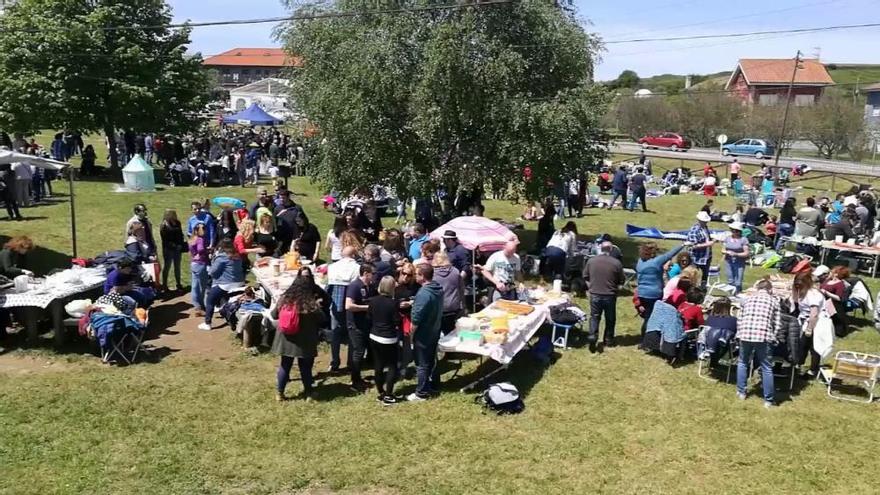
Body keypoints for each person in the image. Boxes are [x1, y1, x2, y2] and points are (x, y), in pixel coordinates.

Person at [271, 276, 323, 401]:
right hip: (304, 340)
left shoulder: (284, 299)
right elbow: (322, 319)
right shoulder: (310, 303)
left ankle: (280, 393)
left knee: (285, 365)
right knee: (305, 367)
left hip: (285, 339)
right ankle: (309, 393)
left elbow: (273, 315)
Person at [736, 279, 781, 408]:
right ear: (770, 289)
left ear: (757, 288)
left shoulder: (747, 300)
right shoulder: (774, 301)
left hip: (745, 333)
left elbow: (740, 318)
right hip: (763, 336)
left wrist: (740, 332)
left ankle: (741, 392)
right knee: (766, 367)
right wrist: (774, 337)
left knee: (742, 362)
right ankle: (768, 399)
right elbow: (777, 324)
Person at [407, 264, 444, 402]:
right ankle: (433, 385)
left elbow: (416, 319)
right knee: (432, 359)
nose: (415, 276)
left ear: (422, 276)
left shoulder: (423, 293)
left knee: (422, 363)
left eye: (416, 274)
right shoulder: (438, 288)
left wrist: (411, 336)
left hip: (423, 333)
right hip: (435, 329)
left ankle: (421, 393)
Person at [636, 241, 685, 341]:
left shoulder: (640, 261)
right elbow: (669, 254)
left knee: (647, 316)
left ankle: (645, 338)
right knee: (650, 318)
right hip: (653, 294)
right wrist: (682, 245)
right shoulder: (656, 262)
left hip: (641, 293)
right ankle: (646, 340)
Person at [583, 242, 624, 352]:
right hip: (610, 295)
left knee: (595, 317)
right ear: (611, 250)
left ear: (600, 249)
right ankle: (608, 340)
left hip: (595, 294)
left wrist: (591, 287)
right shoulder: (616, 263)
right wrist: (617, 290)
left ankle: (593, 336)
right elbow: (621, 281)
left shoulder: (591, 261)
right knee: (610, 318)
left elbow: (586, 277)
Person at [326, 246, 361, 373]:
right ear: (354, 255)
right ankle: (351, 362)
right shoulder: (357, 268)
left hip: (336, 301)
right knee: (352, 332)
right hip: (351, 300)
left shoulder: (332, 267)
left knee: (335, 333)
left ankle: (334, 361)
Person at [368, 275, 402, 405]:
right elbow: (396, 320)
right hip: (388, 338)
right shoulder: (393, 303)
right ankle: (389, 395)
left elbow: (369, 318)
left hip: (374, 336)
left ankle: (381, 391)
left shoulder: (373, 301)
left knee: (378, 365)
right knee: (392, 366)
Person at [198, 240, 245, 331]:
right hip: (240, 283)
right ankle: (224, 310)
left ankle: (207, 323)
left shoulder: (222, 257)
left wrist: (211, 263)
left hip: (226, 284)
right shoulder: (237, 256)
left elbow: (212, 272)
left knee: (210, 299)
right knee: (222, 296)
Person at [345, 264, 375, 391]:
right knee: (358, 352)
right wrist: (366, 308)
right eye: (373, 273)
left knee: (362, 351)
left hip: (366, 324)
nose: (374, 275)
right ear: (366, 273)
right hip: (355, 325)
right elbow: (348, 306)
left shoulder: (369, 286)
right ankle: (355, 380)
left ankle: (357, 377)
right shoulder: (354, 286)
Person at [791, 272, 824, 377]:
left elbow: (814, 314)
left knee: (814, 347)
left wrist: (809, 328)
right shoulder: (803, 292)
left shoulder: (813, 295)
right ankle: (798, 364)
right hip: (805, 321)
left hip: (816, 323)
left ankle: (813, 370)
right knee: (802, 345)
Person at [432, 252, 463, 335]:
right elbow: (461, 289)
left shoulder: (432, 274)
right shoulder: (455, 271)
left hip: (438, 308)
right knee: (451, 333)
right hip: (453, 307)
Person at [687, 211, 715, 289]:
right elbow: (692, 245)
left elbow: (706, 239)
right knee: (692, 274)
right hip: (696, 257)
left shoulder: (705, 228)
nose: (705, 222)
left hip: (706, 256)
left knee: (705, 275)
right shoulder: (694, 230)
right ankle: (691, 289)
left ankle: (703, 289)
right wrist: (708, 244)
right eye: (704, 221)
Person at [159, 209, 184, 291]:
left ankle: (178, 283)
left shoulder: (177, 223)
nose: (172, 216)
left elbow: (181, 234)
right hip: (168, 249)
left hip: (178, 248)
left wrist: (180, 244)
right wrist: (174, 246)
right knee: (167, 266)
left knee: (177, 266)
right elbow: (165, 239)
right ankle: (164, 285)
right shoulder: (164, 225)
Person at [820, 266, 849, 337]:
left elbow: (839, 298)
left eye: (832, 272)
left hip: (833, 305)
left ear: (836, 274)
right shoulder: (827, 280)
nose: (830, 273)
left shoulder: (840, 284)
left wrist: (827, 293)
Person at [189, 222, 210, 317]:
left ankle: (197, 306)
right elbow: (201, 249)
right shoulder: (200, 239)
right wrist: (208, 250)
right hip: (201, 264)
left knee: (194, 286)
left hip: (194, 263)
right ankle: (200, 307)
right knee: (202, 287)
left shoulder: (192, 238)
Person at [722, 222, 750, 293]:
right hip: (728, 261)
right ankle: (730, 293)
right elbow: (723, 250)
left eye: (736, 230)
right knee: (730, 279)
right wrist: (727, 252)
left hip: (739, 262)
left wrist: (736, 254)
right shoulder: (727, 238)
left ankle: (737, 293)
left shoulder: (743, 240)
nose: (733, 232)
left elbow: (746, 253)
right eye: (732, 230)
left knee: (738, 281)